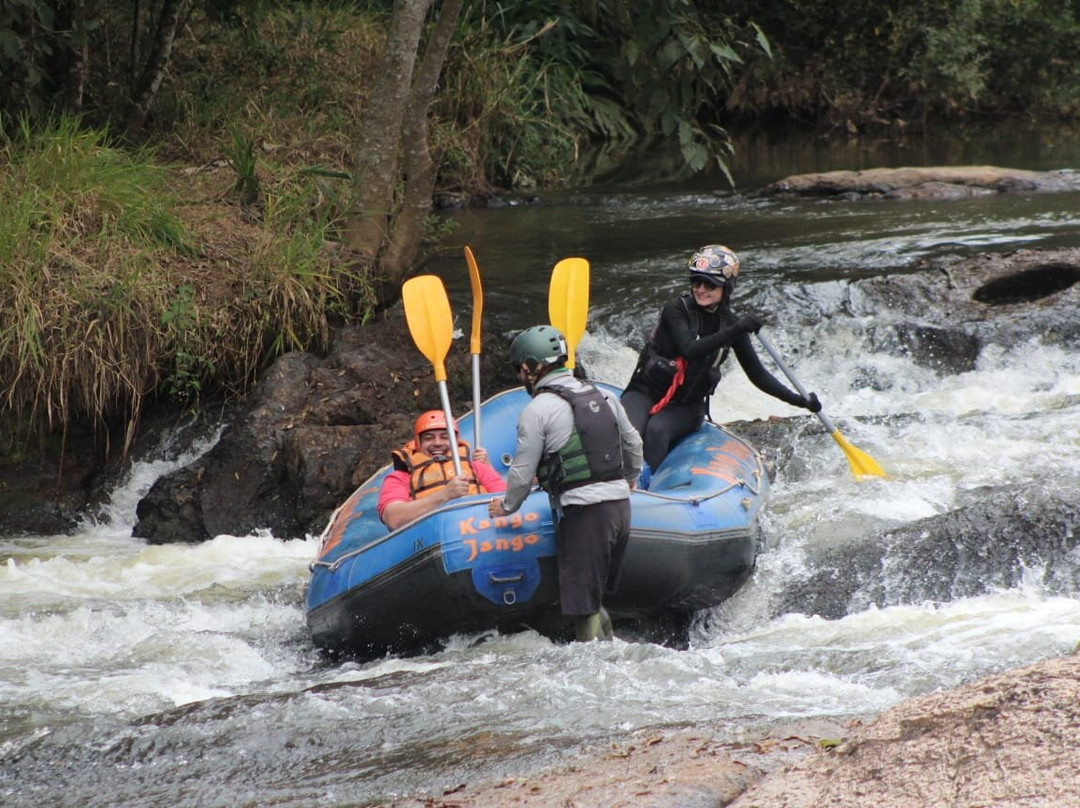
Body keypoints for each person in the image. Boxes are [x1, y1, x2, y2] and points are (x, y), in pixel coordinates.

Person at [488, 325, 643, 642]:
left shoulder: (537, 409)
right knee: (595, 599)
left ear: (532, 367)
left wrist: (506, 506)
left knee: (583, 608)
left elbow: (521, 471)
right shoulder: (604, 396)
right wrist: (630, 478)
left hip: (586, 515)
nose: (519, 376)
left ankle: (593, 663)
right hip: (620, 510)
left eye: (520, 369)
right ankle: (609, 653)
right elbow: (634, 444)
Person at [621, 244, 822, 472]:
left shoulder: (732, 324)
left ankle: (647, 485)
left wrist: (799, 400)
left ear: (726, 288)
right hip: (646, 391)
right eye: (696, 282)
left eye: (710, 284)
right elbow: (689, 349)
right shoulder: (676, 309)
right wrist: (736, 330)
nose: (701, 289)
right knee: (628, 432)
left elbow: (757, 375)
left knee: (657, 430)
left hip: (687, 405)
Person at [377, 410, 506, 530]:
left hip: (481, 531)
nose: (437, 443)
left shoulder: (477, 468)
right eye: (429, 438)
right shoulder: (400, 477)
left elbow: (510, 500)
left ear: (456, 441)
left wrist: (490, 468)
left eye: (445, 437)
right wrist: (445, 495)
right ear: (418, 443)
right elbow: (393, 519)